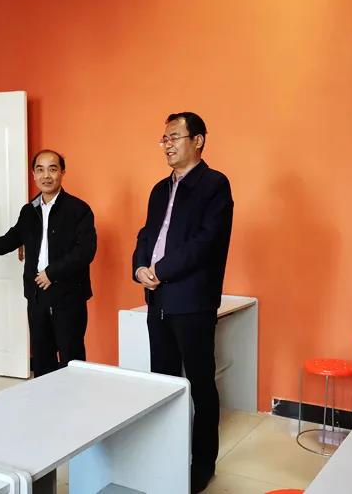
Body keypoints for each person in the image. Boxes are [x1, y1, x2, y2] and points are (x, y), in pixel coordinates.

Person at [132, 112, 233, 493]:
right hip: (157, 298)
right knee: (163, 382)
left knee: (200, 384)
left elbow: (206, 242)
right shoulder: (159, 189)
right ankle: (166, 455)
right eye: (164, 138)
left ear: (198, 140)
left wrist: (161, 269)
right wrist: (139, 267)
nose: (167, 144)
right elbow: (146, 234)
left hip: (192, 301)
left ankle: (202, 464)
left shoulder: (214, 185)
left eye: (175, 136)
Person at [0, 150, 97, 378]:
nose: (46, 175)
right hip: (37, 295)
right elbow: (8, 241)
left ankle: (74, 399)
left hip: (69, 296)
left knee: (71, 357)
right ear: (33, 174)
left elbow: (85, 251)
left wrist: (52, 273)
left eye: (52, 169)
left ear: (62, 172)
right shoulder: (29, 211)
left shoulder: (79, 209)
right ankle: (45, 398)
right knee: (42, 358)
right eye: (40, 169)